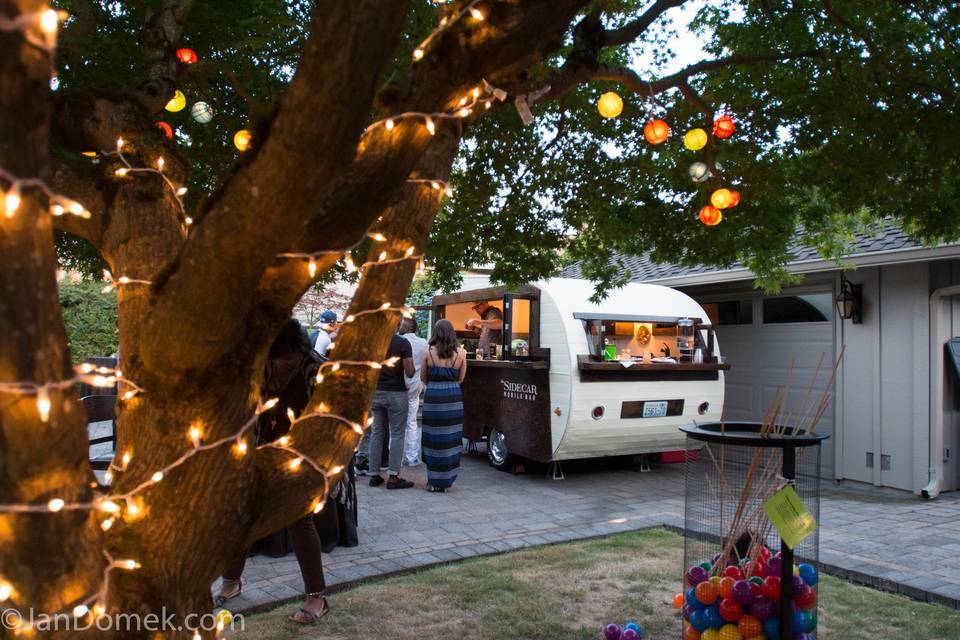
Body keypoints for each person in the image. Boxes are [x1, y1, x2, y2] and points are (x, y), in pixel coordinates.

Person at [214, 318, 330, 624]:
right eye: (276, 358)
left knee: (299, 522)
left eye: (286, 359)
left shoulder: (315, 370)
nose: (280, 365)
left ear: (298, 351)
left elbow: (322, 422)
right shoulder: (263, 365)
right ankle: (231, 582)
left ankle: (317, 597)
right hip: (259, 450)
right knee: (241, 518)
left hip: (299, 456)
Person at [367, 322, 417, 489]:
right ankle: (393, 477)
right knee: (397, 434)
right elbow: (409, 371)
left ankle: (373, 475)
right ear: (396, 324)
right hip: (396, 392)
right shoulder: (402, 343)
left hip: (376, 392)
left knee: (376, 432)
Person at [421, 319, 467, 493]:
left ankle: (433, 481)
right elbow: (461, 378)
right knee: (450, 438)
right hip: (453, 397)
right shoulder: (461, 353)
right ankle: (447, 482)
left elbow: (423, 378)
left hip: (433, 396)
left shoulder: (428, 352)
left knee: (433, 439)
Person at [399, 317, 428, 467]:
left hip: (398, 386)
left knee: (396, 425)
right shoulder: (424, 343)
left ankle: (395, 455)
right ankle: (411, 457)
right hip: (416, 386)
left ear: (406, 328)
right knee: (411, 422)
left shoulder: (399, 341)